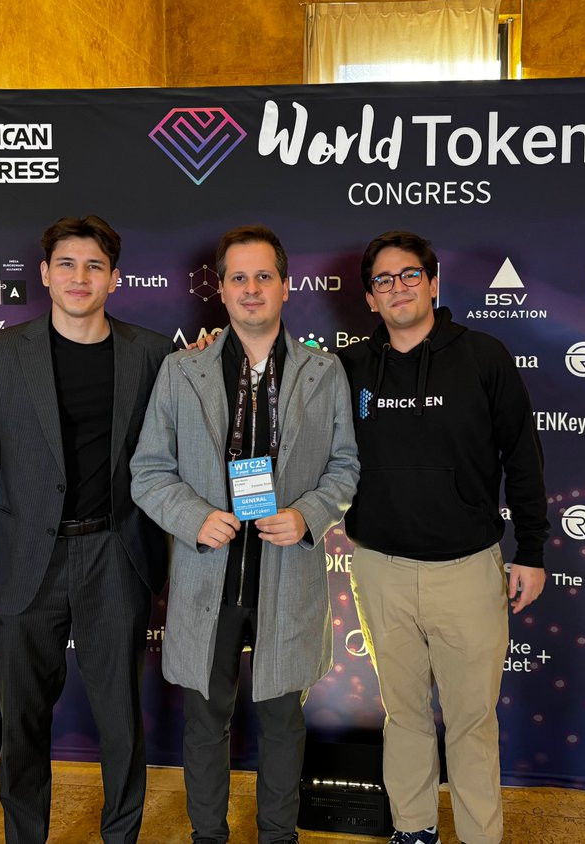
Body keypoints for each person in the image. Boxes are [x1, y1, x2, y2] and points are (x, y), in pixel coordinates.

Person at [0, 215, 173, 844]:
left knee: (121, 718)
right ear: (45, 274)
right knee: (22, 720)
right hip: (24, 560)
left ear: (114, 279)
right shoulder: (0, 354)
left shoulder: (153, 354)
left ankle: (120, 835)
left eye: (94, 265)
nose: (80, 277)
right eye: (66, 264)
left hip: (116, 554)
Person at [130, 224, 359, 844]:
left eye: (264, 276)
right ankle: (208, 835)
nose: (251, 288)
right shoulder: (183, 371)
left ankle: (278, 836)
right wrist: (193, 518)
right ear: (221, 289)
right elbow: (149, 470)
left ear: (285, 286)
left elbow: (345, 467)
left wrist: (309, 514)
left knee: (283, 721)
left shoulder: (324, 372)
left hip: (288, 576)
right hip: (211, 575)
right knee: (205, 722)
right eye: (239, 278)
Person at [338, 231, 549, 844]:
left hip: (467, 569)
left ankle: (481, 836)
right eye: (383, 280)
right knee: (403, 715)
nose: (398, 288)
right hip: (380, 568)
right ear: (370, 298)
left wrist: (531, 551)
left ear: (432, 284)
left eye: (410, 275)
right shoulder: (349, 368)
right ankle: (413, 829)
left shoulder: (483, 356)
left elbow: (523, 458)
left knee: (472, 722)